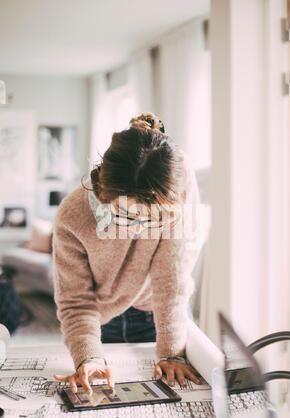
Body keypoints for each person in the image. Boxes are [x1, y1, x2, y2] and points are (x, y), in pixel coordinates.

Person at [53, 112, 202, 394]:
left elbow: (172, 280)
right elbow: (76, 301)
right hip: (101, 318)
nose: (140, 229)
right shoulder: (73, 216)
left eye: (153, 221)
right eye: (125, 216)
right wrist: (89, 357)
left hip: (159, 313)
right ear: (105, 194)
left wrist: (171, 352)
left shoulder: (177, 189)